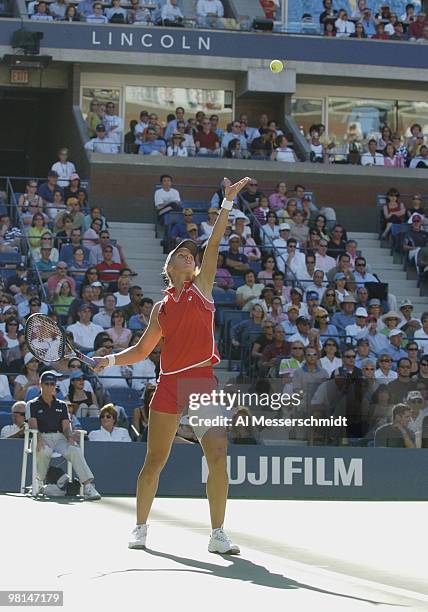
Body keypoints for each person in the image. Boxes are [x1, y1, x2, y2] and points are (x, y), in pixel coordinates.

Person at [93, 176, 252, 553]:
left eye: (191, 256)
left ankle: (217, 534)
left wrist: (227, 203)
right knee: (154, 462)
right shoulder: (161, 308)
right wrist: (110, 359)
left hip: (201, 384)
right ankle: (141, 526)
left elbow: (213, 243)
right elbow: (142, 350)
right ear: (169, 265)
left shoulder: (204, 287)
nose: (190, 257)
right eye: (182, 255)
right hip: (168, 384)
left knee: (217, 455)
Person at [27, 370, 101, 499]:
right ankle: (39, 482)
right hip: (41, 436)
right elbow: (33, 425)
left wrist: (70, 437)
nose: (50, 386)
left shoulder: (62, 405)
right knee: (44, 451)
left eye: (52, 384)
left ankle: (88, 486)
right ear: (41, 385)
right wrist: (39, 439)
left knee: (75, 450)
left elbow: (66, 427)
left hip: (60, 438)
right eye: (47, 383)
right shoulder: (32, 404)